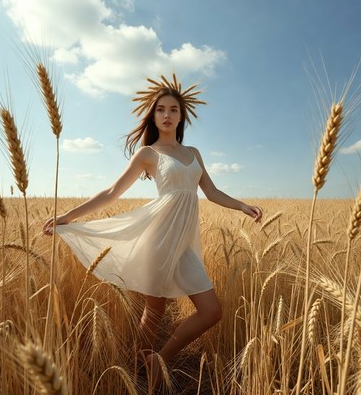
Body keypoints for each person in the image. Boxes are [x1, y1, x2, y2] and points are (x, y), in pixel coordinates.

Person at [43, 74, 262, 389]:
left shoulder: (194, 153)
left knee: (212, 311)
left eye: (174, 109)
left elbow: (212, 193)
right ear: (153, 115)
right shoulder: (148, 153)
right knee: (155, 309)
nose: (167, 115)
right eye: (161, 109)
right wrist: (67, 215)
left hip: (184, 244)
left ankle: (161, 358)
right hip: (157, 239)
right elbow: (112, 192)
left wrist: (242, 206)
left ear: (181, 115)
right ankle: (141, 368)